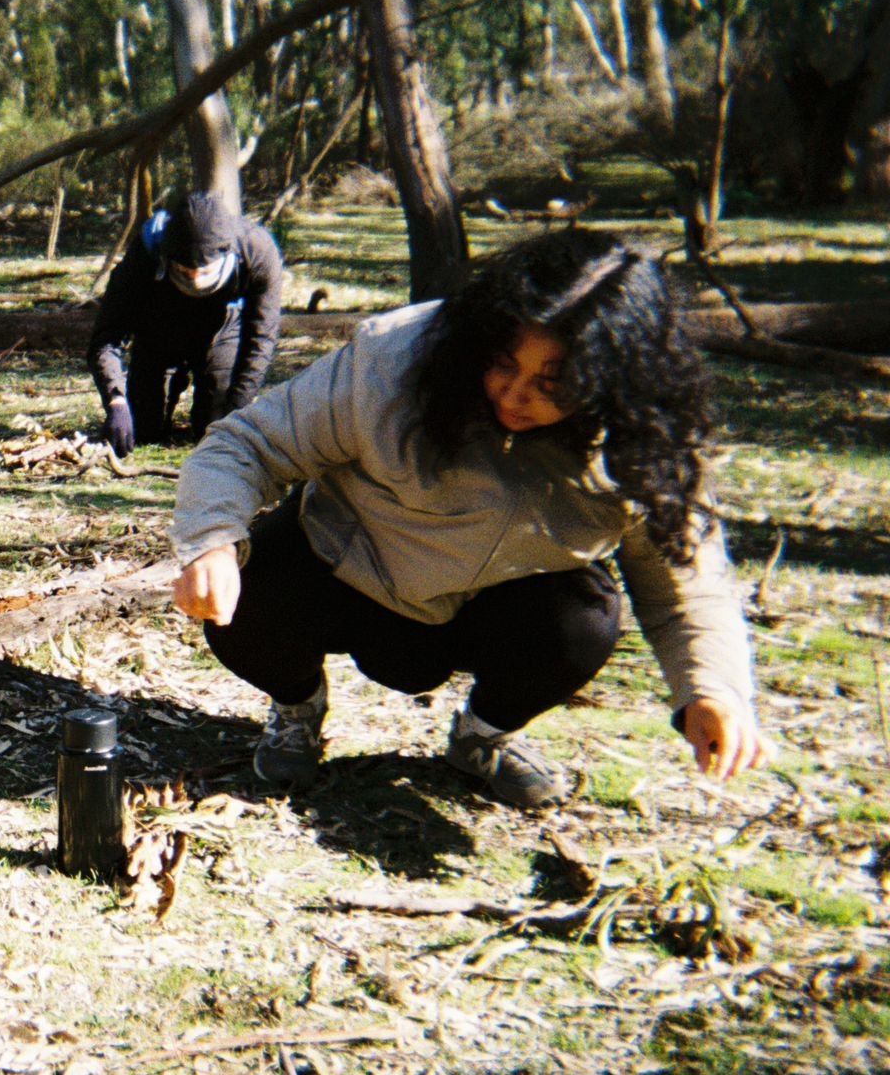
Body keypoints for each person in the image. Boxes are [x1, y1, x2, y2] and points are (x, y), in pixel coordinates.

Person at [170, 229, 767, 808]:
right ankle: (296, 710)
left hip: (498, 606)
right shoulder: (397, 359)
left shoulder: (644, 441)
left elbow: (686, 586)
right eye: (503, 364)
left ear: (617, 383)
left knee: (585, 621)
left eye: (552, 384)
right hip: (350, 565)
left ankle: (483, 738)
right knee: (250, 592)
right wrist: (214, 542)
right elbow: (247, 444)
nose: (514, 395)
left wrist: (711, 689)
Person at [87, 189, 284, 457]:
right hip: (158, 329)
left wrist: (238, 408)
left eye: (202, 272)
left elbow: (260, 339)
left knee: (215, 430)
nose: (193, 280)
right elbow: (107, 334)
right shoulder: (146, 252)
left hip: (221, 330)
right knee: (142, 430)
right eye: (183, 271)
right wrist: (116, 401)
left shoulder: (258, 252)